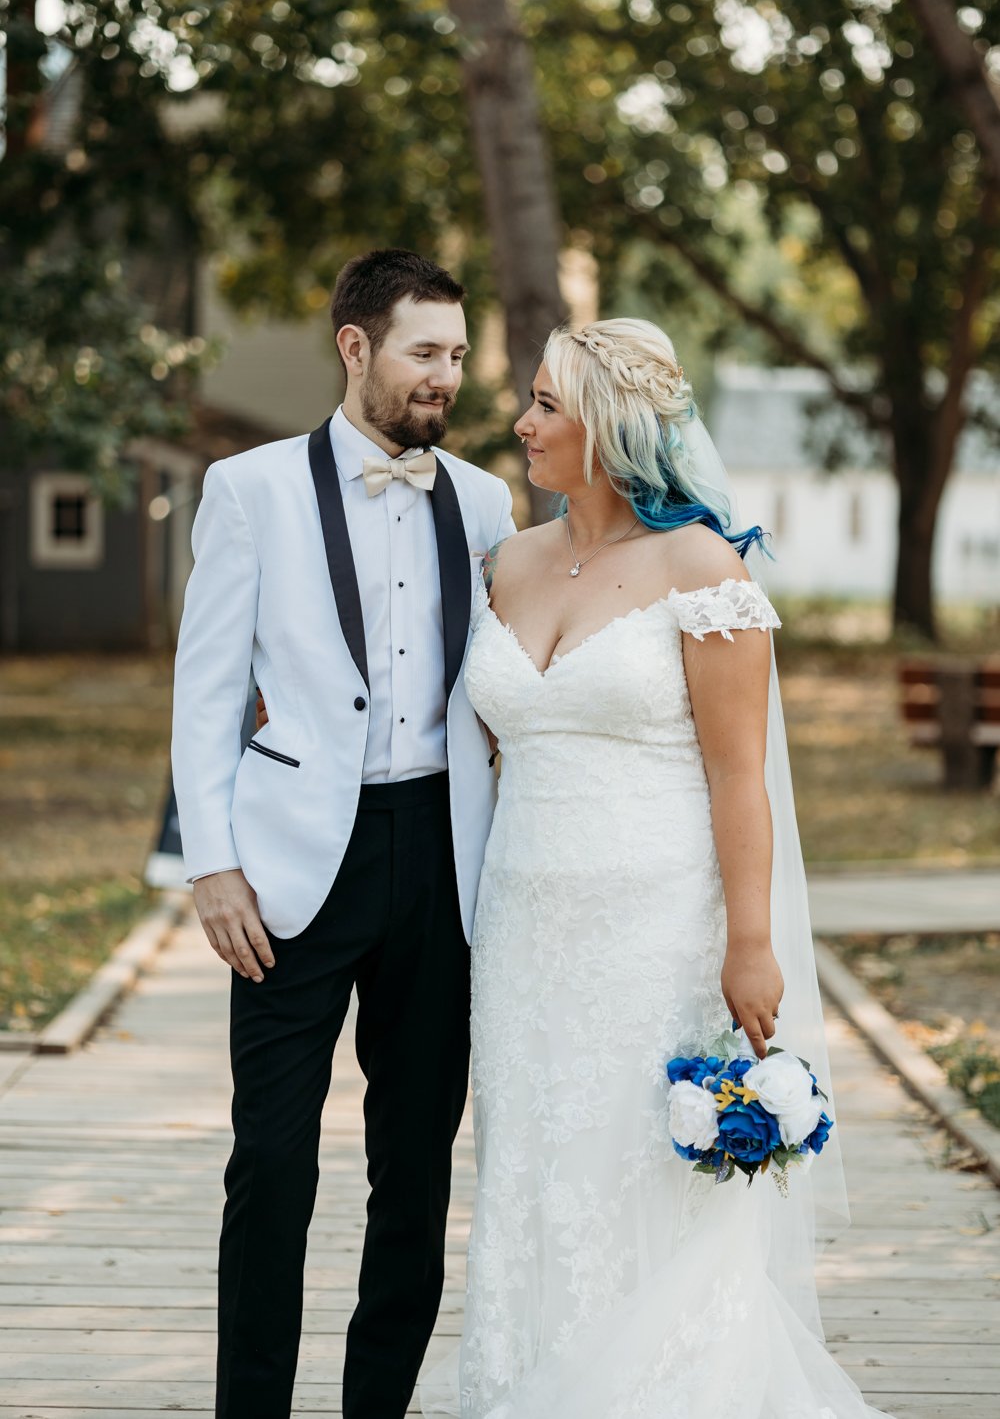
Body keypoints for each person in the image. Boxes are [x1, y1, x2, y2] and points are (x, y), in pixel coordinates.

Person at [421, 318, 889, 1418]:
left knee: (639, 1181)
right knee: (535, 1179)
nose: (523, 423)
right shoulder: (511, 563)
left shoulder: (701, 569)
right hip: (524, 934)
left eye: (545, 406)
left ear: (609, 429)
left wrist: (751, 944)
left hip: (655, 930)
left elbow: (741, 782)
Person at [170, 247, 515, 1419]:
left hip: (440, 859)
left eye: (458, 356)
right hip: (285, 867)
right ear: (355, 347)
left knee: (412, 1174)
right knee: (270, 1164)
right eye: (425, 353)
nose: (446, 378)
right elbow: (205, 689)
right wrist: (209, 863)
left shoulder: (480, 500)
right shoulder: (249, 488)